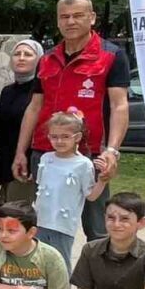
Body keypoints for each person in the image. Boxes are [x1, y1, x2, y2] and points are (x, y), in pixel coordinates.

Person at [12, 0, 130, 242]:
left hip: (90, 154)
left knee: (97, 226)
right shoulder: (47, 59)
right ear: (58, 21)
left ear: (92, 17)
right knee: (44, 221)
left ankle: (99, 268)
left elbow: (119, 106)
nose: (71, 21)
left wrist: (112, 151)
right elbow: (34, 107)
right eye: (64, 17)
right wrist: (21, 151)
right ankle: (48, 266)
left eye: (78, 15)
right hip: (45, 151)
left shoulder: (111, 55)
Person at [34, 112, 107, 271]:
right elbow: (40, 188)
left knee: (59, 263)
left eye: (65, 136)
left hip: (63, 225)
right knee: (38, 261)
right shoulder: (46, 158)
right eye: (54, 137)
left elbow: (91, 196)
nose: (59, 141)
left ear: (77, 137)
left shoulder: (83, 164)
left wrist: (102, 180)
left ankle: (62, 287)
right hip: (40, 221)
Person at [0, 39, 44, 203]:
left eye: (27, 54)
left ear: (39, 59)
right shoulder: (7, 91)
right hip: (7, 161)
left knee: (21, 211)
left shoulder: (42, 91)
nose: (21, 58)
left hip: (28, 163)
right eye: (17, 54)